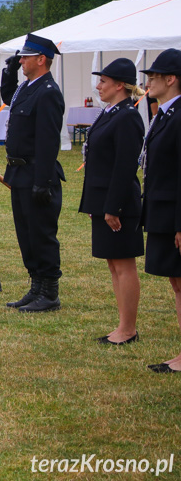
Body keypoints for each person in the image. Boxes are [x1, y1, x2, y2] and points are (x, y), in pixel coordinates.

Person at [79, 58, 145, 344]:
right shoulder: (110, 112)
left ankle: (128, 329)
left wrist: (113, 207)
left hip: (118, 202)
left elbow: (125, 165)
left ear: (120, 85)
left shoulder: (128, 115)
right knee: (113, 263)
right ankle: (122, 325)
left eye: (104, 81)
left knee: (123, 263)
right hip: (103, 199)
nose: (98, 86)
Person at [0, 34, 65, 312]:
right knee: (26, 235)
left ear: (41, 60)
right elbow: (8, 98)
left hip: (37, 173)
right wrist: (8, 72)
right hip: (20, 174)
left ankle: (49, 292)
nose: (21, 60)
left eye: (26, 57)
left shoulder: (48, 91)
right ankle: (36, 286)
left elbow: (48, 141)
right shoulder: (28, 87)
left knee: (41, 234)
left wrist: (43, 181)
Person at [140, 48, 181, 373]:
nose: (148, 82)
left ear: (171, 79)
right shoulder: (165, 113)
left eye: (153, 77)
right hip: (163, 212)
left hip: (174, 214)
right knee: (177, 283)